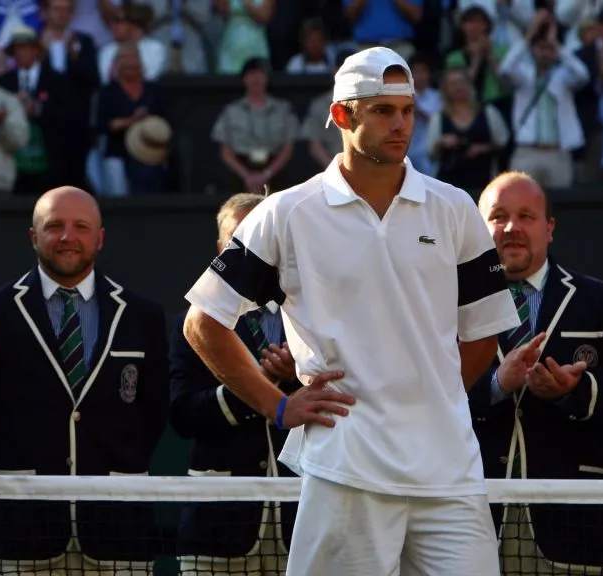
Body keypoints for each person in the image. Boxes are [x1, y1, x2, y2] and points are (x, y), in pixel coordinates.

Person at [181, 47, 521, 575]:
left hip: (451, 472)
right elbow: (203, 322)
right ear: (343, 115)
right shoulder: (286, 213)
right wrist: (278, 406)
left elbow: (482, 336)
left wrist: (428, 390)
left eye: (407, 110)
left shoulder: (455, 208)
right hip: (346, 470)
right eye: (383, 110)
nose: (400, 123)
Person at [0, 186, 168, 575]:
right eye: (54, 226)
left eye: (81, 226)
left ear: (99, 238)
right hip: (17, 532)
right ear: (34, 236)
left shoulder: (143, 316)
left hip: (117, 531)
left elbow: (151, 417)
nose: (68, 236)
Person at [470, 171, 603, 574]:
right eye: (498, 216)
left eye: (527, 216)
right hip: (475, 525)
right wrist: (496, 385)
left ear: (549, 228)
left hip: (575, 527)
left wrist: (576, 390)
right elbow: (425, 397)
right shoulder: (445, 307)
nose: (512, 228)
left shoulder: (600, 301)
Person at [170, 192, 300, 576]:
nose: (252, 250)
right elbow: (182, 415)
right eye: (238, 239)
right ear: (220, 249)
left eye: (261, 236)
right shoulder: (191, 325)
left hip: (303, 524)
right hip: (216, 532)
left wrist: (300, 377)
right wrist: (257, 385)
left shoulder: (317, 317)